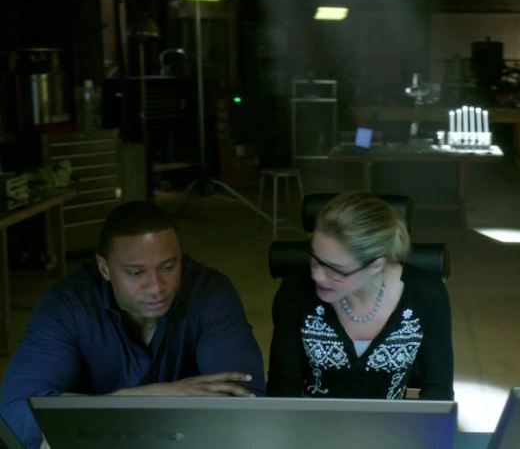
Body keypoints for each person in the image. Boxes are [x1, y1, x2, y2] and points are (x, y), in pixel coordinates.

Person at [0, 201, 265, 449]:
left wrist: (99, 414)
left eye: (168, 267)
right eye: (136, 272)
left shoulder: (210, 293)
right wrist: (149, 397)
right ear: (104, 268)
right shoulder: (67, 305)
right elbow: (16, 415)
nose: (156, 287)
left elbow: (245, 406)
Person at [267, 192, 454, 400]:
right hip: (309, 418)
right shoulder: (295, 288)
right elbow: (282, 385)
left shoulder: (427, 295)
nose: (317, 275)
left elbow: (438, 391)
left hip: (393, 419)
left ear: (376, 265)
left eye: (336, 269)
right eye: (315, 259)